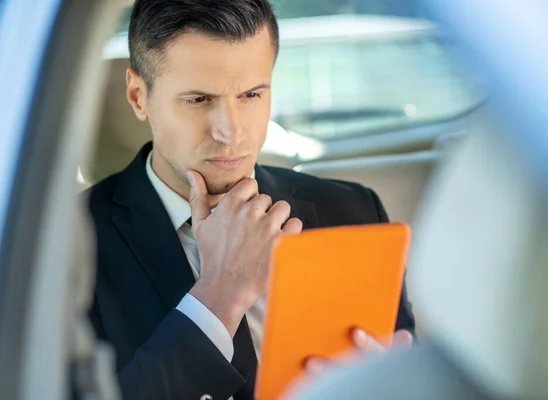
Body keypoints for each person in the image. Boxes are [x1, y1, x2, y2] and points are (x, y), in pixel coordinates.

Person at [87, 0, 415, 399]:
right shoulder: (65, 245)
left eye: (251, 95)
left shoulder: (353, 212)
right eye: (199, 100)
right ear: (139, 96)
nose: (231, 131)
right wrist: (219, 295)